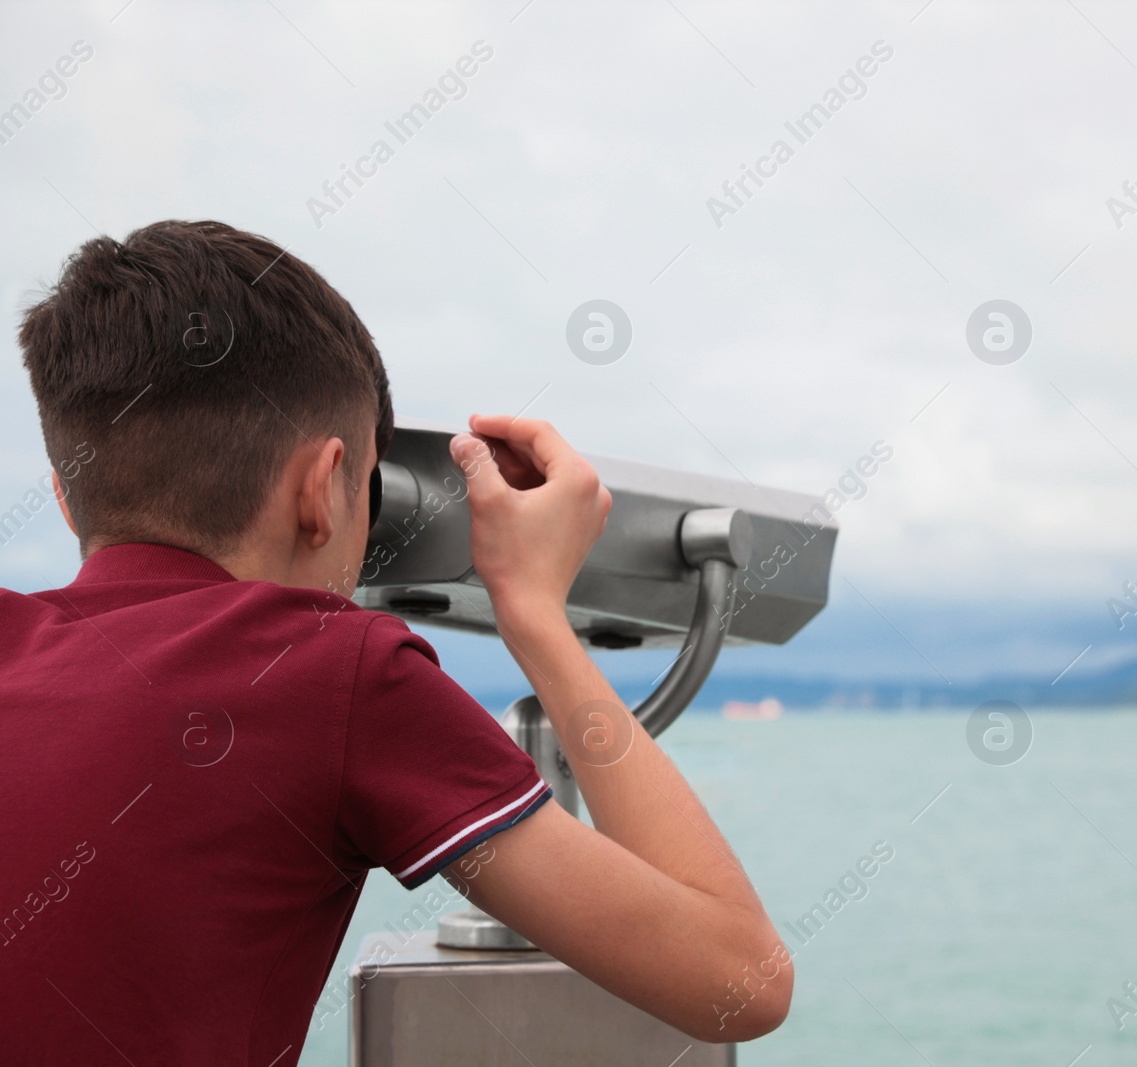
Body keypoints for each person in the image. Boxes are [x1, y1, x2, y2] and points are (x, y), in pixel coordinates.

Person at [0, 220, 791, 1065]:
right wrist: (532, 609)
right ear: (322, 487)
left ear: (64, 493)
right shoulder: (329, 667)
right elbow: (739, 979)